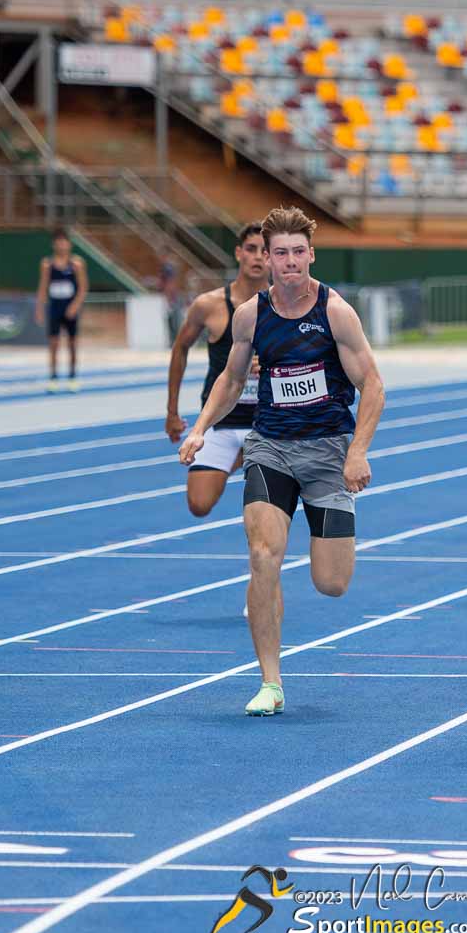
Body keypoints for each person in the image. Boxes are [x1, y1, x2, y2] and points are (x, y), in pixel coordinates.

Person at [179, 206, 385, 716]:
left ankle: (327, 534)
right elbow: (231, 380)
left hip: (328, 452)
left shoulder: (336, 312)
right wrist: (200, 427)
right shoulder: (251, 315)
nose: (289, 262)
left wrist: (358, 450)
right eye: (280, 253)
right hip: (270, 446)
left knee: (331, 583)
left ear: (311, 255)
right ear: (267, 259)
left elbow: (372, 384)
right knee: (262, 556)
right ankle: (270, 682)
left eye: (298, 252)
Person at [165, 221, 269, 518]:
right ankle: (239, 456)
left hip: (268, 425)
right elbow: (180, 348)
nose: (257, 257)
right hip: (221, 421)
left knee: (266, 510)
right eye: (251, 249)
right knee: (199, 504)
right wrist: (172, 411)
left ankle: (251, 455)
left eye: (265, 251)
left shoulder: (286, 306)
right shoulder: (209, 305)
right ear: (238, 253)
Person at [34, 228, 87, 391]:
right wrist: (39, 309)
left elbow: (83, 288)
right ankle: (53, 378)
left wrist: (75, 306)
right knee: (53, 344)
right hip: (55, 307)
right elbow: (43, 287)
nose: (62, 246)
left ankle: (72, 377)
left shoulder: (76, 263)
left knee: (72, 344)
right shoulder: (47, 264)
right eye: (58, 243)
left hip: (70, 307)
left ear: (69, 244)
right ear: (54, 244)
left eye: (64, 242)